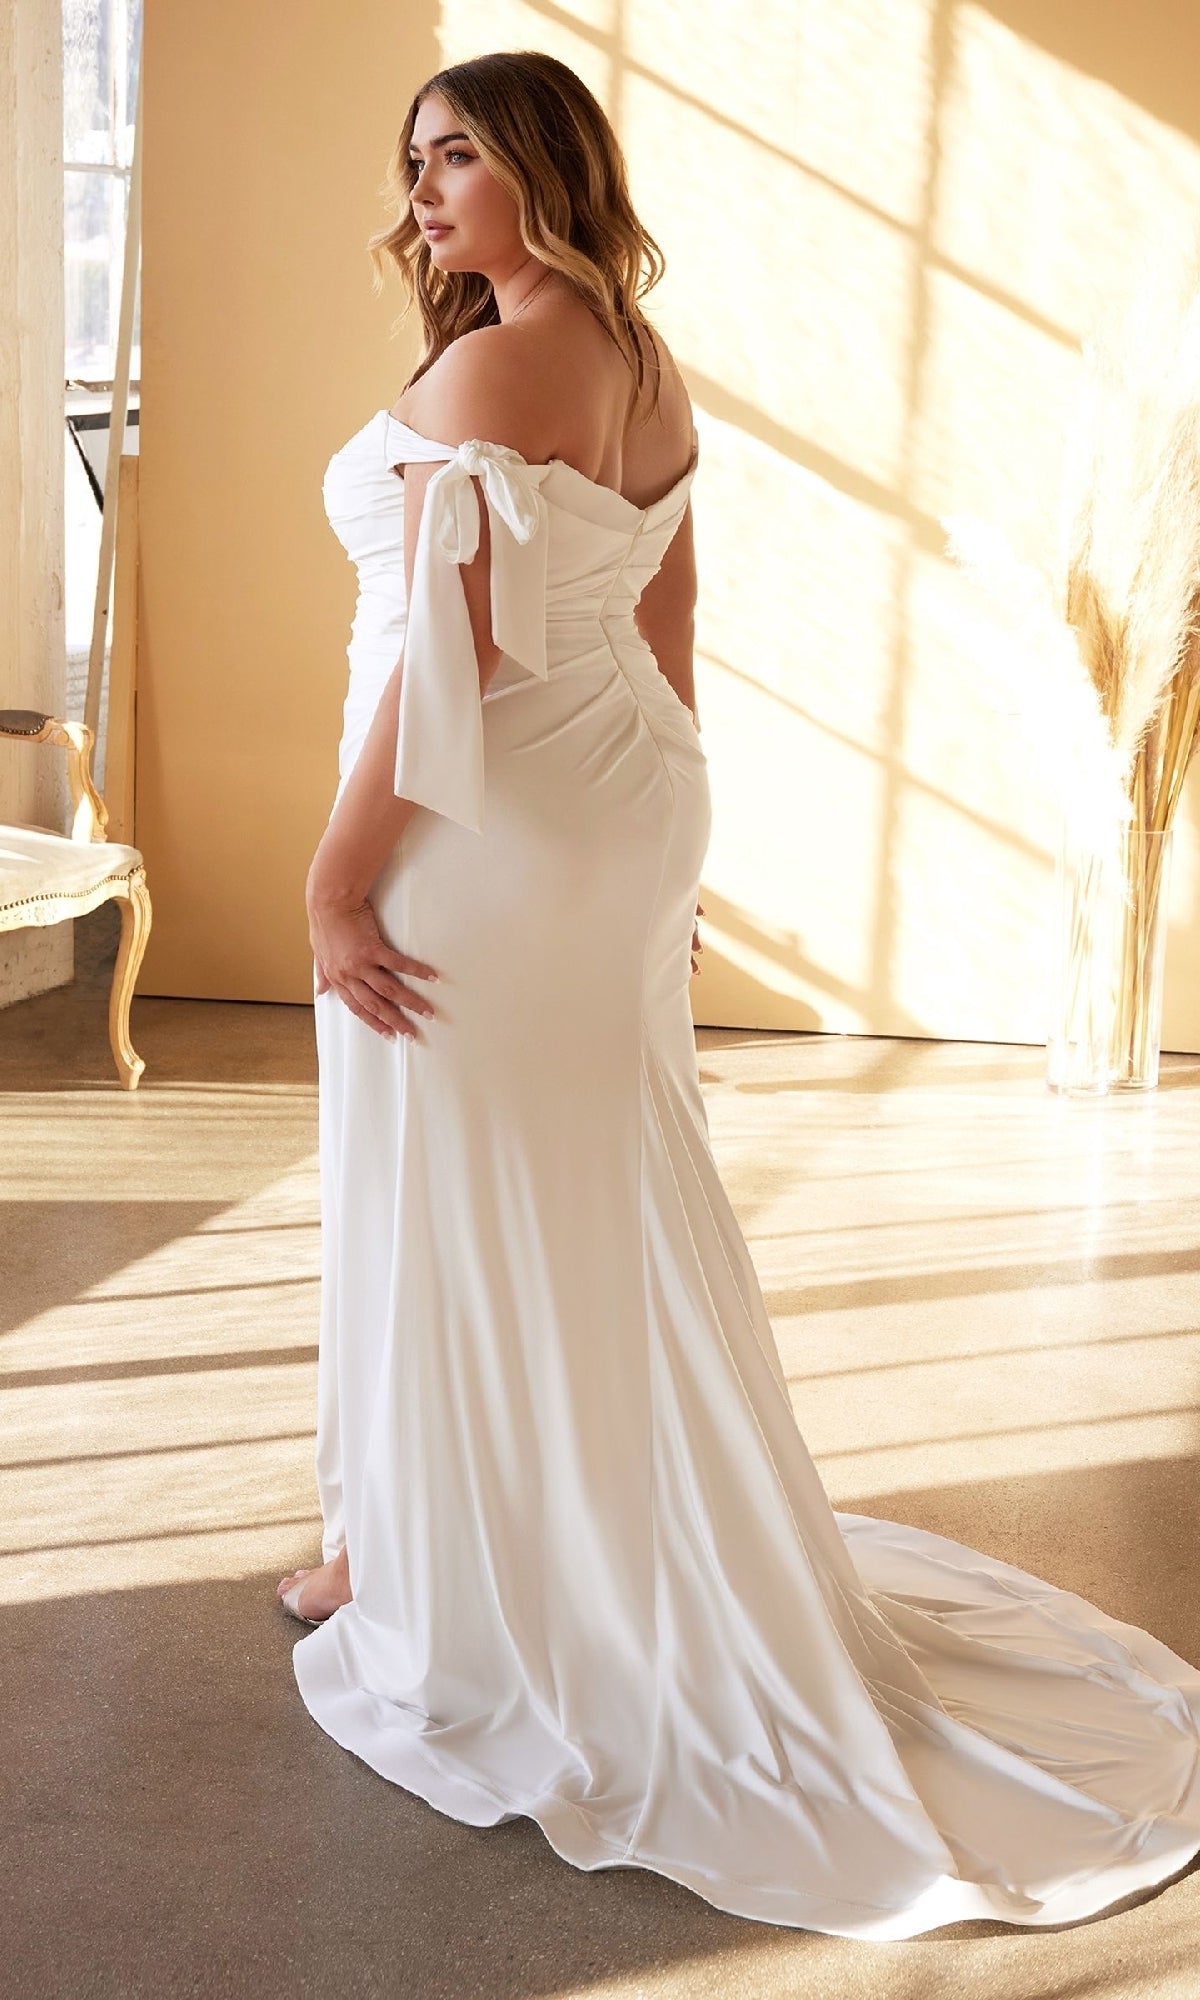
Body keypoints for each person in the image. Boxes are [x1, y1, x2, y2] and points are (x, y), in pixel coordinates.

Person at [277, 50, 1200, 1939]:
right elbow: (666, 614)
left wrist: (333, 875)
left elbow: (453, 658)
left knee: (455, 1168)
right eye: (414, 158)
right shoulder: (642, 354)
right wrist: (664, 850)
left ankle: (433, 1567)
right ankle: (403, 1533)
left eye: (458, 156)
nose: (424, 190)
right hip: (617, 798)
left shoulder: (499, 362)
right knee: (584, 1173)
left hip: (486, 809)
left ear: (544, 167)